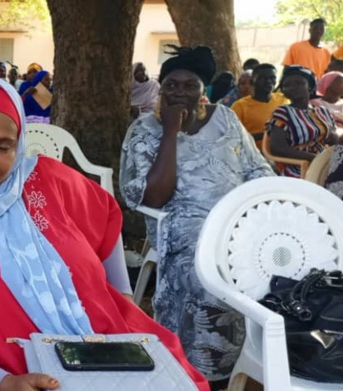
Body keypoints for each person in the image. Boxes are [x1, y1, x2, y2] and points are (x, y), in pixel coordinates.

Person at [0, 76, 209, 391]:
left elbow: (106, 215)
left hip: (105, 351)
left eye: (3, 146)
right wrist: (2, 382)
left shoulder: (48, 180)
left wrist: (120, 295)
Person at [120, 46, 274, 389]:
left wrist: (263, 213)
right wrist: (171, 133)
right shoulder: (145, 131)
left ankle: (259, 362)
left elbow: (257, 169)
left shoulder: (226, 119)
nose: (179, 92)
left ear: (204, 89)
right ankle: (199, 371)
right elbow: (150, 196)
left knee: (278, 269)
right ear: (161, 88)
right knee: (205, 271)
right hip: (182, 230)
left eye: (190, 85)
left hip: (238, 223)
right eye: (171, 85)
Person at [267, 65, 338, 177]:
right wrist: (314, 159)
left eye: (298, 83)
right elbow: (278, 148)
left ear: (310, 86)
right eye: (287, 85)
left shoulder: (322, 111)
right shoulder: (282, 113)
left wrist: (334, 140)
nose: (292, 87)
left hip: (326, 163)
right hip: (300, 168)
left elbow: (334, 141)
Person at [231, 64, 288, 141]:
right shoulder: (240, 106)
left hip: (282, 150)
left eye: (272, 78)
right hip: (253, 151)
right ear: (253, 81)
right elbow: (233, 137)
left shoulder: (283, 99)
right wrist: (263, 135)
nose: (268, 81)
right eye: (263, 78)